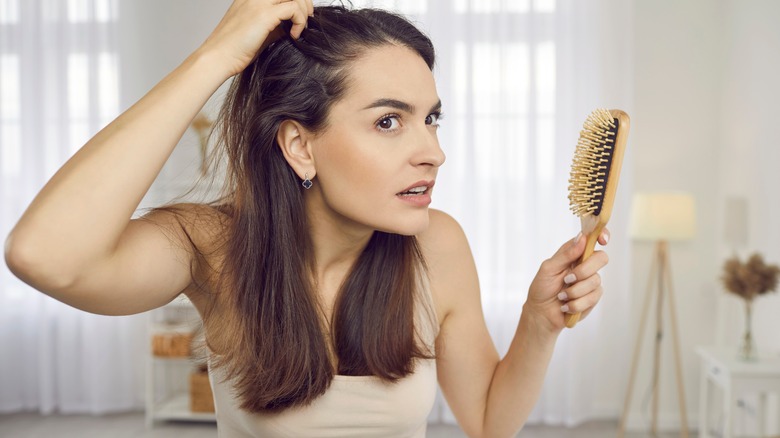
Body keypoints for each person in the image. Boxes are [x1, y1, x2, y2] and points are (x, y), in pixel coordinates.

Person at [4, 1, 610, 437]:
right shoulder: (211, 246)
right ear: (299, 145)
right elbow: (43, 256)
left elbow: (485, 421)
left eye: (432, 119)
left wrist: (538, 323)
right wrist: (214, 57)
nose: (433, 151)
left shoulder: (437, 243)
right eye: (388, 121)